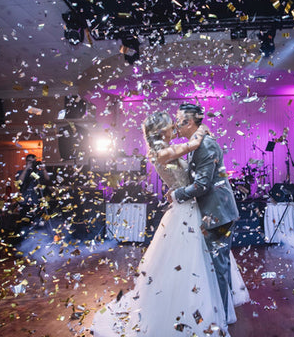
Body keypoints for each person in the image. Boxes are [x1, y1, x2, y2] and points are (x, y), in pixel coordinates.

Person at [91, 111, 248, 336]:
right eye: (168, 125)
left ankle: (210, 307)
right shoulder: (161, 152)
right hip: (185, 210)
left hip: (191, 207)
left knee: (201, 263)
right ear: (159, 131)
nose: (173, 126)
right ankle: (192, 310)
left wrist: (175, 189)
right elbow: (189, 147)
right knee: (190, 262)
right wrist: (201, 131)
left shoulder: (163, 150)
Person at [171, 103, 241, 322]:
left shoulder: (205, 146)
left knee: (218, 267)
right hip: (213, 212)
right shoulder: (197, 144)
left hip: (217, 213)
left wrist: (177, 194)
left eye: (178, 119)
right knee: (218, 265)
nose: (175, 124)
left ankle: (222, 318)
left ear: (189, 122)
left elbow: (202, 185)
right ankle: (224, 312)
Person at [16, 154, 51, 222]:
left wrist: (43, 168)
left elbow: (47, 178)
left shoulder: (38, 172)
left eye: (33, 161)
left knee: (37, 223)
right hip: (25, 203)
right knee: (24, 223)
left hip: (37, 202)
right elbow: (19, 182)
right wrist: (27, 168)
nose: (31, 163)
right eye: (29, 161)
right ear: (26, 161)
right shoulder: (21, 172)